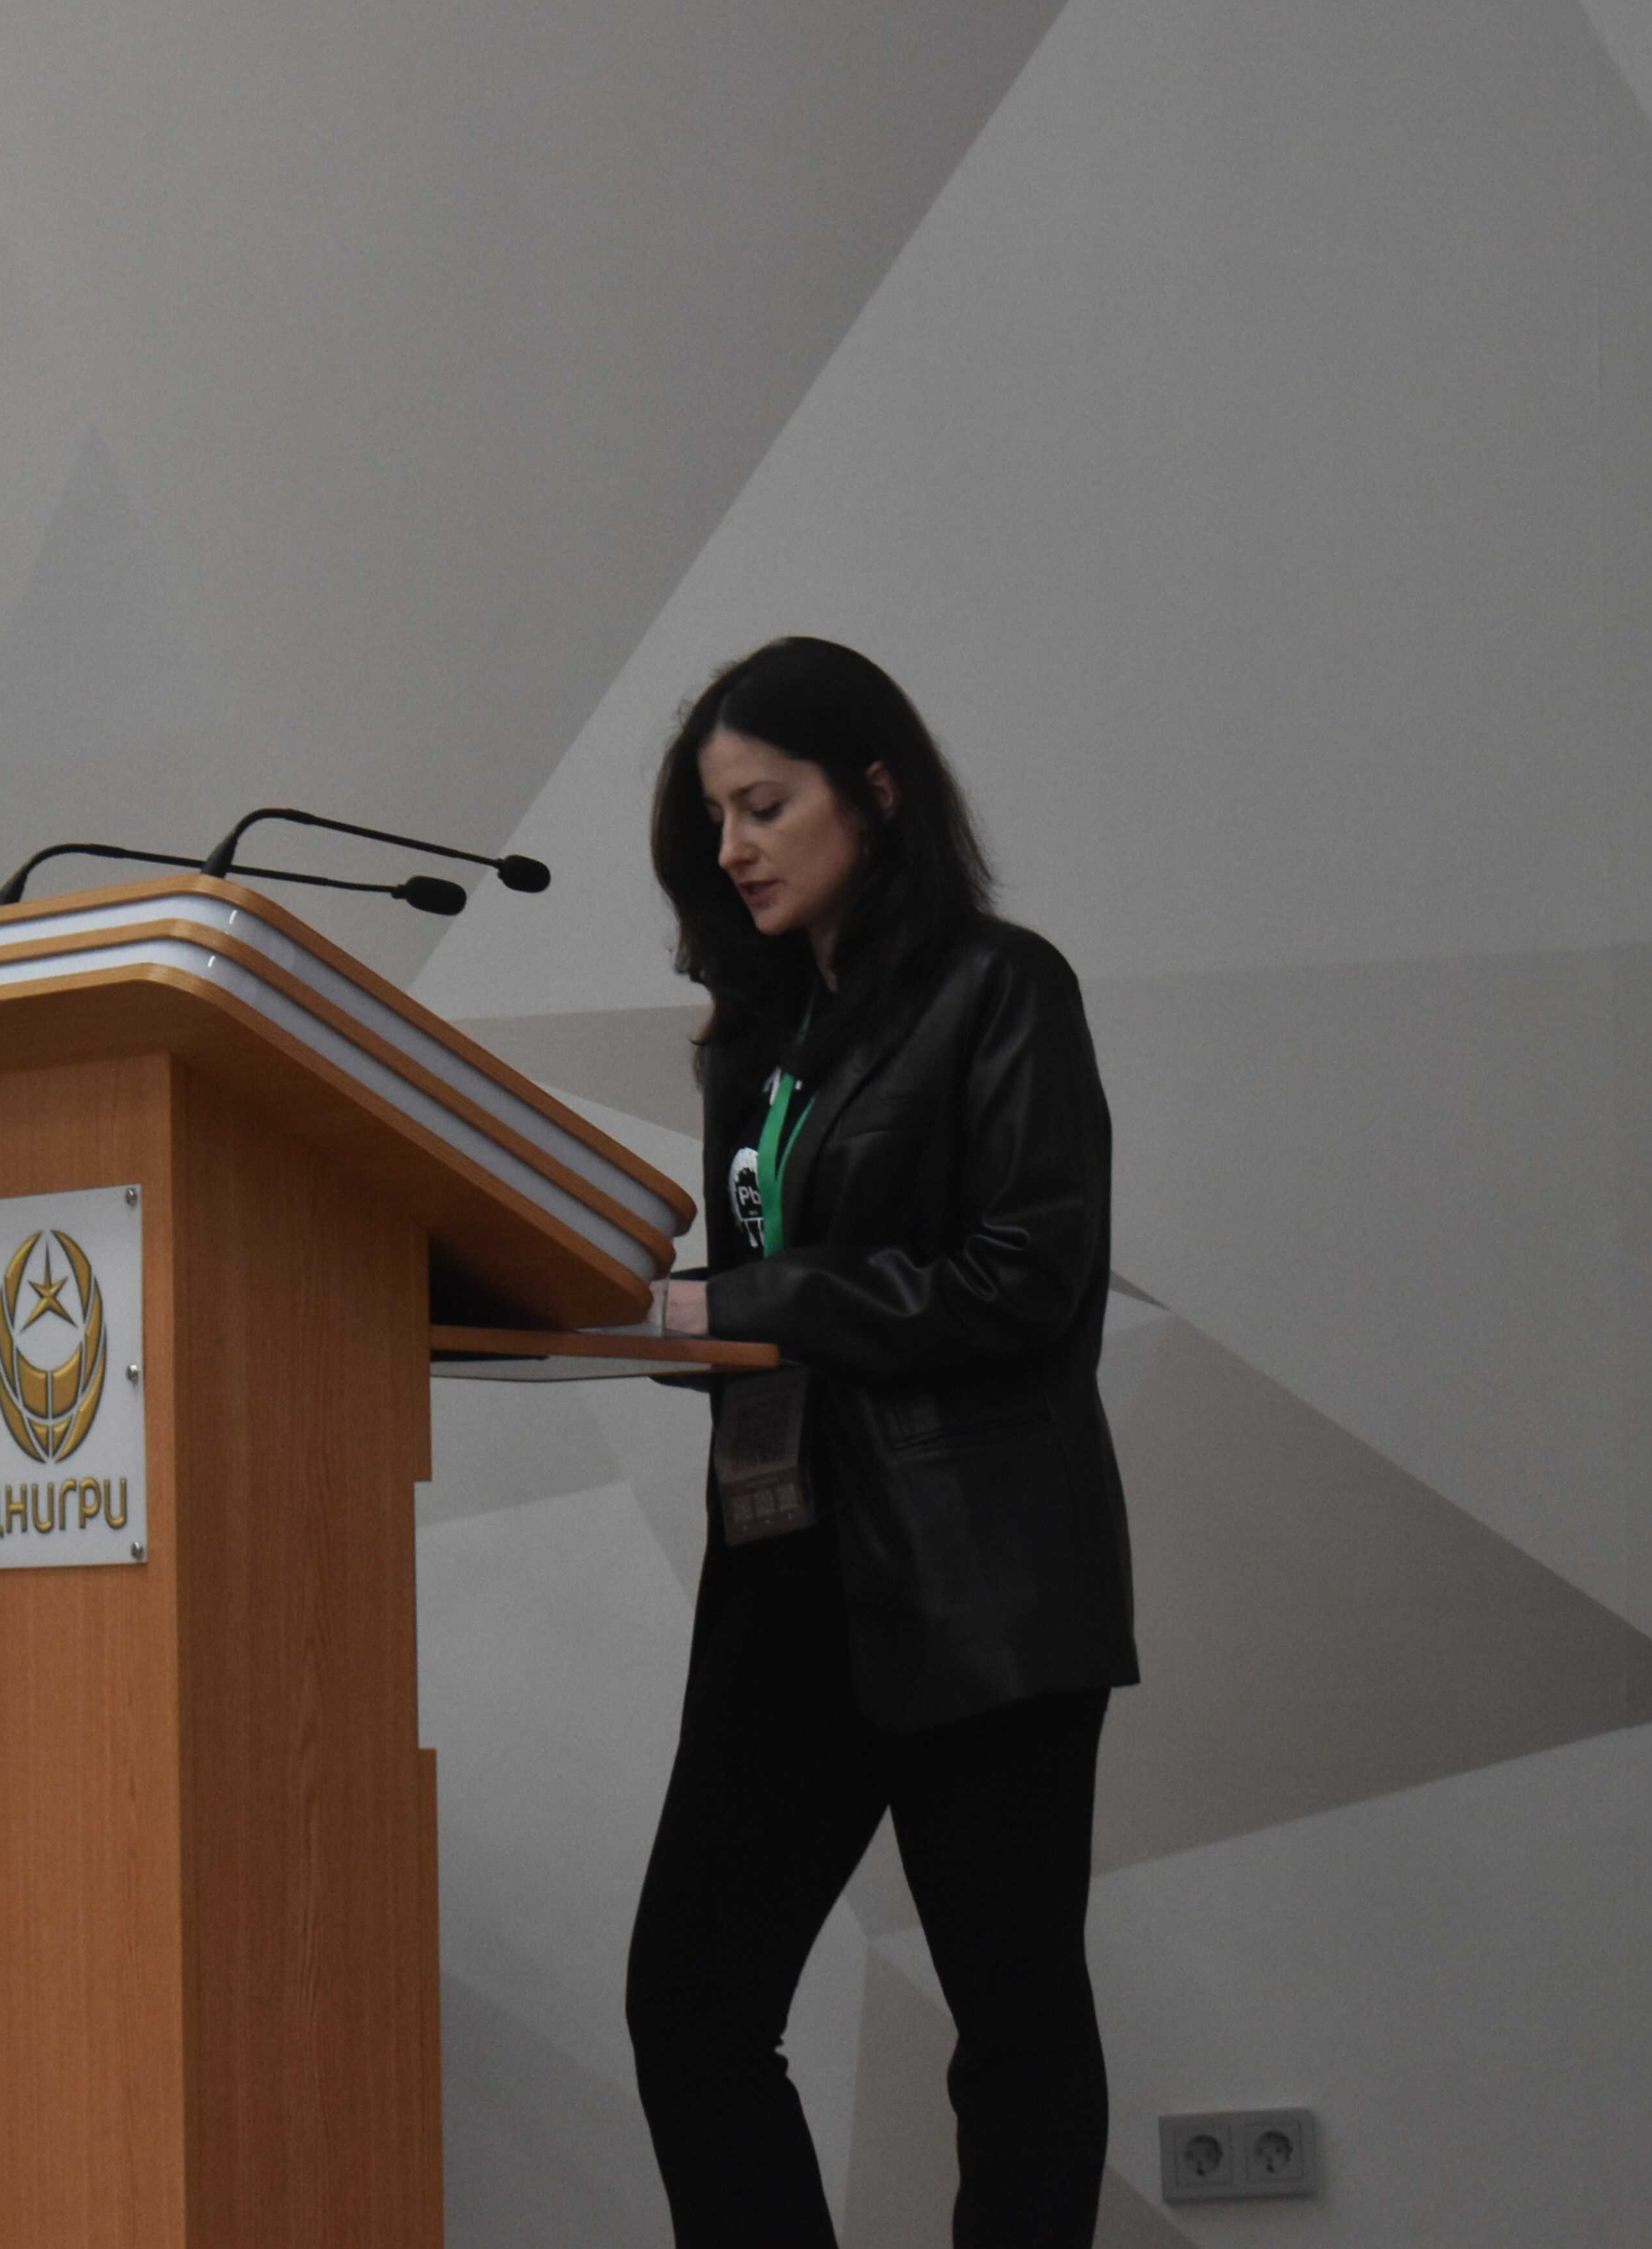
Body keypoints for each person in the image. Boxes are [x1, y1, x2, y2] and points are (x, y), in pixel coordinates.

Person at [627, 635, 1137, 2248]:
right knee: (691, 2005)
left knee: (1013, 2025)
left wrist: (740, 1300)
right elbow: (775, 1311)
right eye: (716, 817)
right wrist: (631, 1315)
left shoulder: (1003, 988)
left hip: (978, 1583)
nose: (734, 847)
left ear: (880, 789)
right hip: (787, 1566)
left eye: (765, 803)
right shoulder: (763, 1036)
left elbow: (1024, 1278)